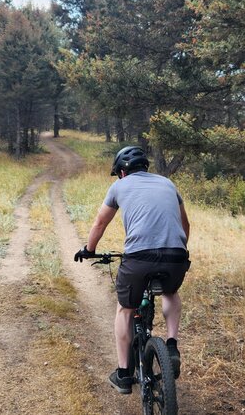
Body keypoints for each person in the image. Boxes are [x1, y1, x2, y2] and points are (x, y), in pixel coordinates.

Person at [74, 145, 190, 394]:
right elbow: (185, 223)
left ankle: (124, 374)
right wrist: (177, 251)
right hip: (176, 256)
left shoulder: (119, 186)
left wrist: (89, 249)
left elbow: (101, 221)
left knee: (125, 309)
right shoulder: (168, 184)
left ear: (122, 172)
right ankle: (171, 344)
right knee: (170, 293)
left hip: (139, 259)